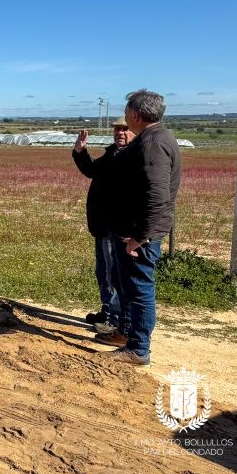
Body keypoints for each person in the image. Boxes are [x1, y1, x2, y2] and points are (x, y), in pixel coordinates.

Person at [98, 89, 182, 366]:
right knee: (128, 286)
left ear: (135, 114)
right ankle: (126, 333)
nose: (125, 116)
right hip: (132, 229)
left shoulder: (153, 144)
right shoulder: (155, 137)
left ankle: (138, 348)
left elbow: (157, 196)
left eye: (126, 111)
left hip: (138, 235)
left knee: (139, 289)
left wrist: (139, 237)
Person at [72, 117, 136, 335]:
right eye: (118, 129)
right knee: (104, 271)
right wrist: (80, 151)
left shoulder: (135, 156)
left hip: (119, 226)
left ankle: (113, 317)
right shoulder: (112, 154)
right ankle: (107, 310)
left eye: (126, 129)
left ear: (135, 131)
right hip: (104, 224)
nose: (121, 133)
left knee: (114, 272)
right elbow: (91, 170)